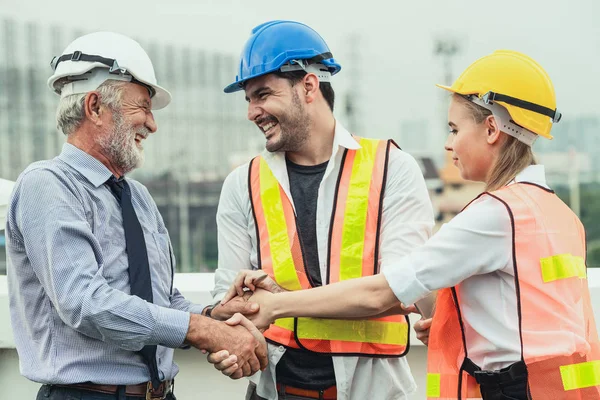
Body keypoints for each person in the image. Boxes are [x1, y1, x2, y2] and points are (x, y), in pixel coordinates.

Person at [219, 50, 600, 400]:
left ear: (490, 130)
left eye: (454, 129)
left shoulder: (494, 215)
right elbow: (520, 311)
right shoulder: (558, 213)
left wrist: (275, 304)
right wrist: (444, 320)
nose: (448, 145)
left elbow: (381, 293)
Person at [5, 31, 266, 400]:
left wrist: (215, 314)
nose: (152, 124)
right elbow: (86, 303)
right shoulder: (47, 185)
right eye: (141, 107)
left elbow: (163, 300)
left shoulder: (138, 197)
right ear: (95, 107)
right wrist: (202, 331)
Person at [206, 20, 435, 400]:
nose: (252, 112)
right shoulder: (241, 184)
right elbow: (224, 297)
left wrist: (275, 303)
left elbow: (396, 289)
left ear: (309, 86)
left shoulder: (392, 168)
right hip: (274, 391)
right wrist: (229, 323)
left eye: (262, 94)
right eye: (248, 99)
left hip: (372, 391)